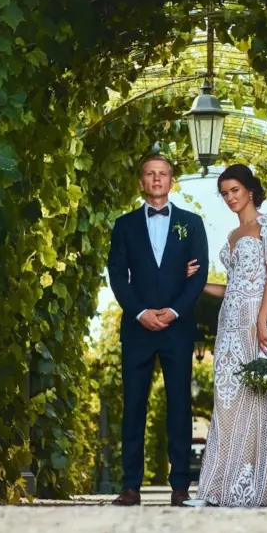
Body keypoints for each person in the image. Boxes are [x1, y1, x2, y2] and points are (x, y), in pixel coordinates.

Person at [182, 163, 267, 507]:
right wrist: (197, 282)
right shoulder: (232, 236)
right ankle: (218, 488)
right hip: (229, 323)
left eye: (235, 190)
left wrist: (263, 321)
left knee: (258, 396)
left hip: (254, 319)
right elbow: (231, 287)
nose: (230, 198)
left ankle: (261, 485)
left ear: (249, 189)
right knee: (227, 400)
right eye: (224, 194)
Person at [106, 154, 209, 507]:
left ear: (171, 180)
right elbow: (117, 275)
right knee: (133, 406)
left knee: (179, 406)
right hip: (138, 329)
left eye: (163, 173)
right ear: (142, 182)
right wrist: (140, 313)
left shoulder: (192, 224)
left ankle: (180, 487)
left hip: (177, 329)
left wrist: (175, 312)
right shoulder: (124, 225)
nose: (156, 178)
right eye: (150, 173)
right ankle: (130, 487)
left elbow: (201, 276)